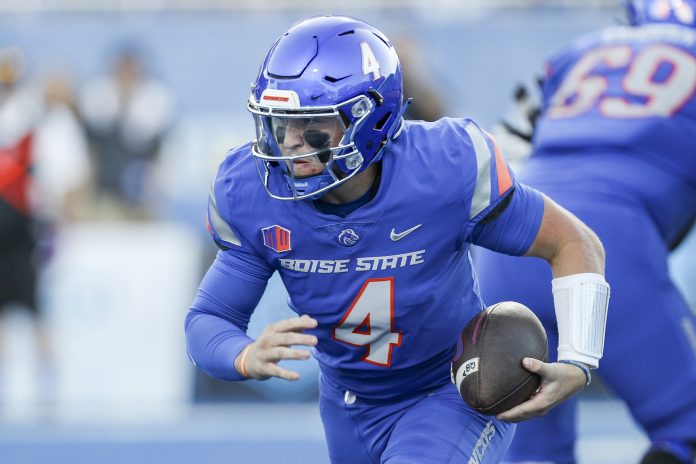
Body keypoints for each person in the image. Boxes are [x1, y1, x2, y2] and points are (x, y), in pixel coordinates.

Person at [184, 15, 610, 463]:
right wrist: (244, 354)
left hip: (448, 391)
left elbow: (574, 242)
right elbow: (208, 319)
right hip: (346, 403)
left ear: (368, 118)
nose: (289, 143)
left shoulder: (443, 168)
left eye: (311, 124)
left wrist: (580, 357)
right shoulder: (253, 192)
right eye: (279, 123)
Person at [472, 1, 696, 463]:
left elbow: (503, 155)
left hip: (514, 233)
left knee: (532, 449)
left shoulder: (576, 54)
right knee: (687, 429)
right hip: (609, 242)